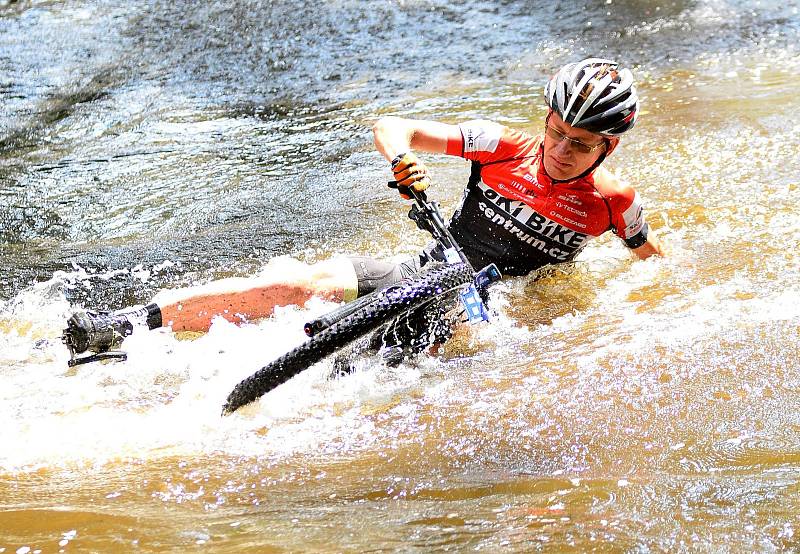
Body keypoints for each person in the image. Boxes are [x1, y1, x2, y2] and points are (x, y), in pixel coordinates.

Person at [62, 57, 663, 358]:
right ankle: (121, 327)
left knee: (395, 354)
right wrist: (405, 161)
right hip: (432, 267)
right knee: (296, 285)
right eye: (555, 131)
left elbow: (653, 267)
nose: (559, 150)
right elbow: (393, 124)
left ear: (609, 145)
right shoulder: (502, 146)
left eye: (579, 144)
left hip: (493, 311)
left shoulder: (615, 203)